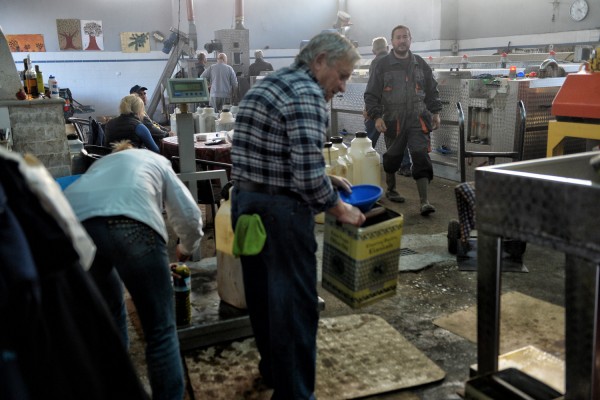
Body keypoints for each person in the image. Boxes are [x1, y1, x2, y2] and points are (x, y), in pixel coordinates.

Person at [230, 31, 365, 400]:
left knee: (262, 300)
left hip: (246, 206)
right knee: (295, 308)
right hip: (282, 216)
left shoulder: (272, 82)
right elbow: (305, 178)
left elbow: (275, 154)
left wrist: (325, 177)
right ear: (319, 60)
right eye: (342, 75)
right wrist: (340, 208)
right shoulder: (308, 94)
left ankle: (273, 371)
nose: (342, 86)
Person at [64, 141, 203, 400]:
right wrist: (185, 247)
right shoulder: (154, 160)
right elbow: (189, 216)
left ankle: (117, 389)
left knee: (110, 310)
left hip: (74, 227)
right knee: (160, 330)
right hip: (132, 224)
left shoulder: (99, 166)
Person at [364, 25, 442, 215]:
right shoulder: (383, 65)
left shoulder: (420, 63)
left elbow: (432, 89)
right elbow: (372, 93)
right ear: (392, 42)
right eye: (398, 37)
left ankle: (424, 201)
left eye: (405, 37)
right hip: (393, 119)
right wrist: (376, 116)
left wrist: (436, 112)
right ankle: (391, 189)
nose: (402, 40)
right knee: (393, 156)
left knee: (421, 155)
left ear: (410, 39)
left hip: (418, 118)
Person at [362, 37, 413, 181]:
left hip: (378, 109)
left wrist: (368, 108)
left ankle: (363, 162)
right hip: (396, 109)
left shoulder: (376, 62)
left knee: (368, 138)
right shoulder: (396, 60)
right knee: (397, 137)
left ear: (373, 51)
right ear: (387, 46)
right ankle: (405, 166)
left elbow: (372, 88)